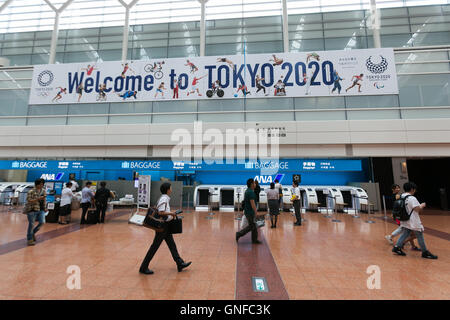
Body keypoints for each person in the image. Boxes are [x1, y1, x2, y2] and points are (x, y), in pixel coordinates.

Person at [139, 182, 191, 275]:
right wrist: (172, 213)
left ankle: (180, 263)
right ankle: (143, 267)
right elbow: (161, 212)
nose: (171, 189)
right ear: (167, 189)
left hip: (165, 226)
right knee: (154, 247)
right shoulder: (164, 198)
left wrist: (171, 213)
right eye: (170, 188)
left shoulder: (164, 198)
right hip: (162, 227)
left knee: (172, 245)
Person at [392, 182, 438, 259]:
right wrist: (422, 205)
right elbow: (417, 209)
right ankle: (425, 252)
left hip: (404, 219)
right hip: (412, 220)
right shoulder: (412, 198)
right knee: (419, 234)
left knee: (405, 233)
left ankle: (397, 247)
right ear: (412, 189)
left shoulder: (402, 196)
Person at [385, 183, 419, 250]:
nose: (398, 189)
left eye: (398, 188)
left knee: (404, 228)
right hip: (399, 214)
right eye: (396, 188)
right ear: (393, 189)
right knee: (402, 227)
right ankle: (391, 237)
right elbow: (397, 206)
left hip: (397, 214)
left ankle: (412, 245)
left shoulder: (397, 196)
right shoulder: (397, 196)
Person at [236, 179, 261, 244]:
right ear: (251, 184)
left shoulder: (248, 191)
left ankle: (254, 239)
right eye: (254, 183)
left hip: (248, 211)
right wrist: (256, 212)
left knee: (254, 226)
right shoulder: (250, 192)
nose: (255, 184)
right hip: (250, 212)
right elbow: (252, 204)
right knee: (251, 226)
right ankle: (239, 234)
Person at [25, 179, 46, 246]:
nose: (42, 185)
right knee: (31, 224)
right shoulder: (31, 191)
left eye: (43, 184)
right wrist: (38, 199)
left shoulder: (43, 191)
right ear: (36, 184)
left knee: (42, 222)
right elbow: (29, 200)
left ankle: (32, 233)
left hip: (41, 209)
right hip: (32, 210)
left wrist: (45, 207)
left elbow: (44, 199)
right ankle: (30, 239)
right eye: (40, 184)